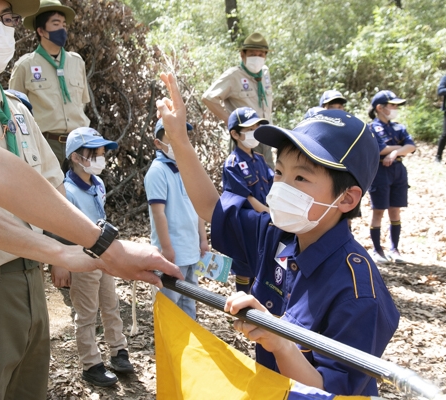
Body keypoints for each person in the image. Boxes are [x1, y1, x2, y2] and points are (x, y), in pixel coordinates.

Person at [0, 7, 180, 399]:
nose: (1, 29)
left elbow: (48, 187)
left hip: (28, 281)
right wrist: (65, 250)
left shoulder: (17, 110)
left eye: (7, 18)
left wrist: (94, 245)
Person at [157, 72, 400, 395]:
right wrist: (180, 140)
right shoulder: (277, 235)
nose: (282, 188)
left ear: (347, 198)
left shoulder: (358, 294)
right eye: (280, 173)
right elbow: (211, 208)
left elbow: (332, 393)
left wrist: (281, 343)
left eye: (301, 179)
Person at [57, 127, 135, 386]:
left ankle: (118, 351)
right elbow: (62, 229)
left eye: (103, 154)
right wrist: (62, 263)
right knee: (87, 312)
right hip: (82, 259)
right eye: (96, 154)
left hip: (104, 257)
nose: (102, 159)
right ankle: (91, 363)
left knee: (111, 304)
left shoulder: (98, 183)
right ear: (78, 158)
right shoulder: (67, 191)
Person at [9, 0, 90, 164]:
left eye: (64, 25)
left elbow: (82, 102)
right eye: (56, 24)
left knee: (79, 189)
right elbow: (15, 111)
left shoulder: (77, 62)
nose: (62, 29)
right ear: (41, 30)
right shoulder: (25, 66)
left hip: (79, 143)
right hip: (45, 144)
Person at [144, 118, 209, 319]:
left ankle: (189, 347)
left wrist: (203, 239)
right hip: (172, 253)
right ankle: (168, 347)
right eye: (170, 137)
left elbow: (198, 207)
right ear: (158, 143)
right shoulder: (157, 171)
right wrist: (167, 248)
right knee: (170, 303)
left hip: (191, 249)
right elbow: (158, 213)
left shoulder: (187, 170)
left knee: (189, 300)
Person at [202, 32, 275, 169]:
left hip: (265, 133)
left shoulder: (264, 72)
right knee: (246, 174)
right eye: (253, 54)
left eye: (261, 55)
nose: (257, 58)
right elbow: (209, 98)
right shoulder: (234, 75)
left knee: (269, 173)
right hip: (246, 137)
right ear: (243, 54)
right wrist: (230, 120)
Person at [222, 107, 272, 292]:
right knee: (245, 267)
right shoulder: (232, 164)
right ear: (235, 134)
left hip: (263, 221)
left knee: (262, 264)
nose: (255, 132)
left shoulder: (259, 159)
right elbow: (247, 197)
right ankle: (242, 306)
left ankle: (258, 306)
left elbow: (273, 184)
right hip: (244, 225)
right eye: (250, 129)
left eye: (257, 127)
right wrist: (269, 212)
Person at [367, 90, 416, 264]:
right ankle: (377, 249)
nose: (395, 108)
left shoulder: (399, 127)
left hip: (398, 171)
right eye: (392, 105)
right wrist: (400, 147)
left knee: (395, 210)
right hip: (380, 171)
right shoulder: (372, 127)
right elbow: (379, 149)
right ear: (379, 108)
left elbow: (411, 146)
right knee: (378, 210)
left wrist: (395, 152)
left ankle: (394, 248)